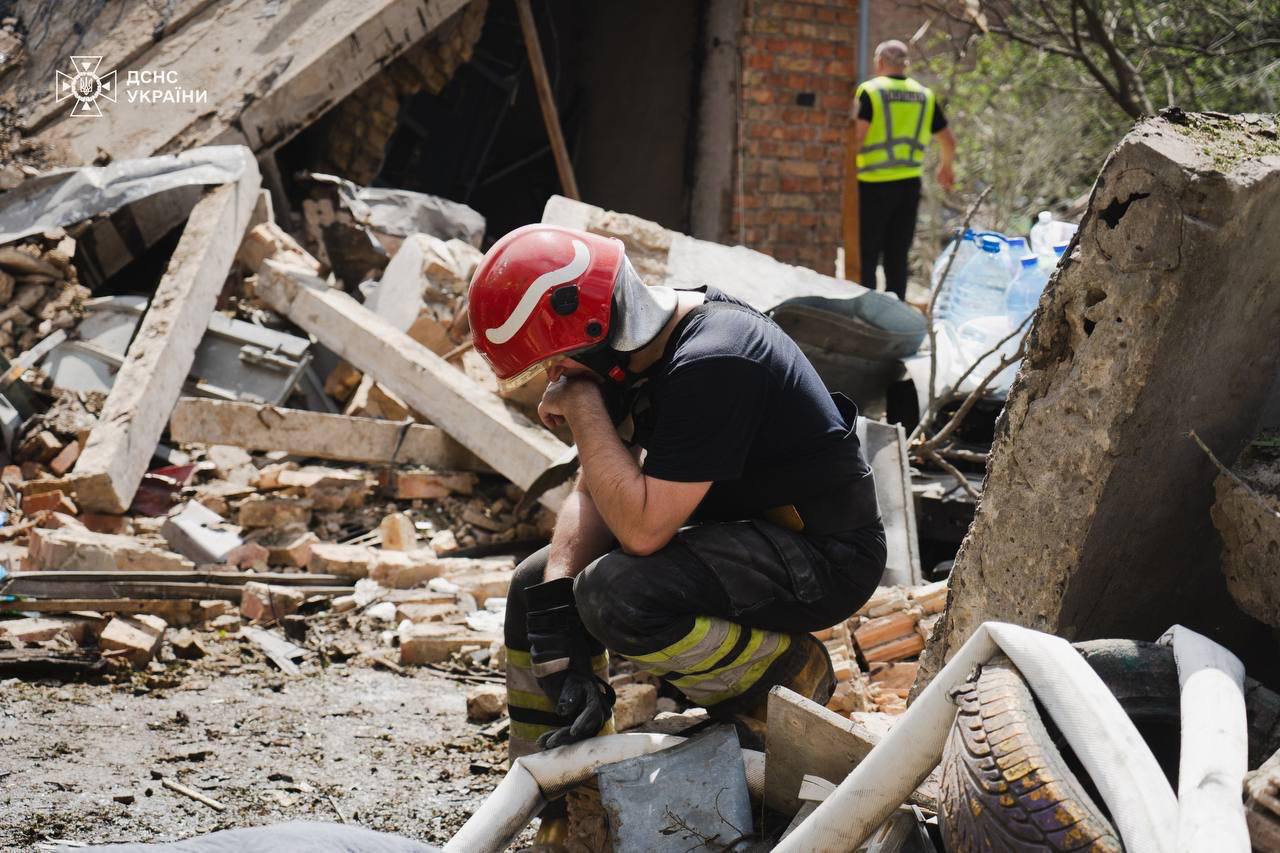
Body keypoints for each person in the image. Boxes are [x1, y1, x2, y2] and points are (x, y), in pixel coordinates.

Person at [468, 223, 887, 844]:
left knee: (619, 594)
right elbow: (598, 490)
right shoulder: (640, 352)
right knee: (538, 585)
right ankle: (561, 793)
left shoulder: (714, 359)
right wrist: (555, 605)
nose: (554, 378)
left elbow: (639, 529)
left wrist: (583, 403)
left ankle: (783, 672)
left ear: (589, 333)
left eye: (557, 362)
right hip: (750, 536)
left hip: (824, 558)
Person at [854, 39, 957, 301]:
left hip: (871, 183)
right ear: (905, 65)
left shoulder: (870, 91)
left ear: (879, 63)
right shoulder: (924, 95)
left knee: (866, 254)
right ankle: (895, 311)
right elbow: (948, 140)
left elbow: (857, 138)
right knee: (897, 254)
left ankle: (864, 311)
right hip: (909, 185)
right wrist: (946, 168)